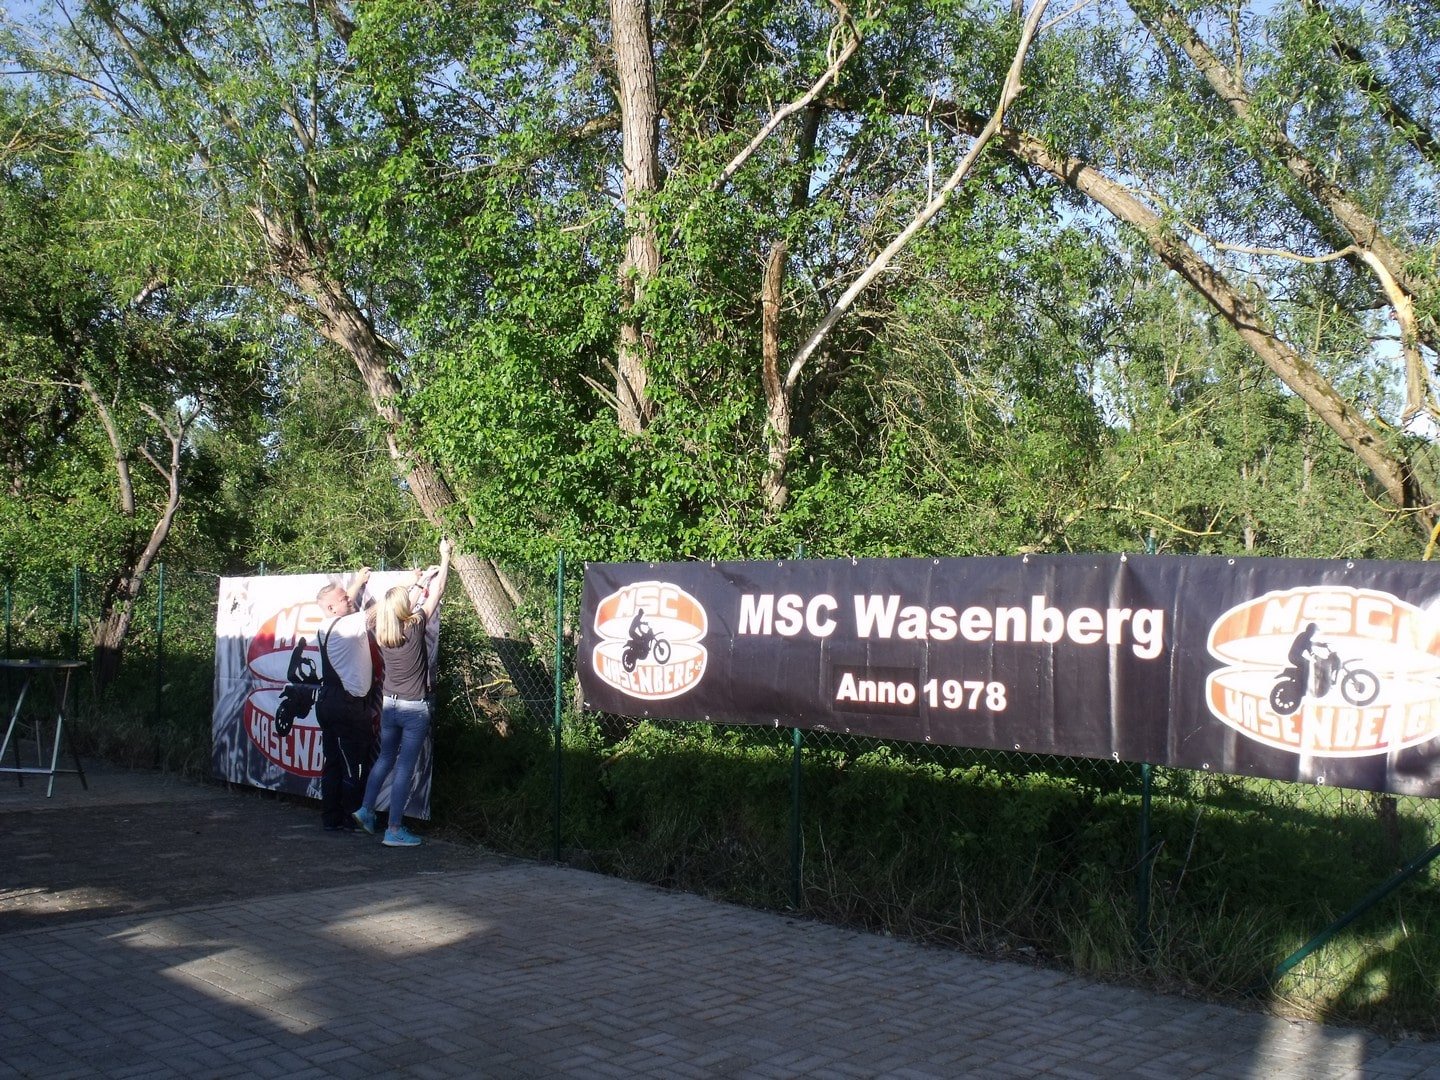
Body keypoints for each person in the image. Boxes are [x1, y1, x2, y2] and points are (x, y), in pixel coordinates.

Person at [353, 538, 452, 847]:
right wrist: (445, 558)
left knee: (384, 759)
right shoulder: (415, 625)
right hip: (413, 709)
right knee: (404, 768)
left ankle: (366, 810)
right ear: (404, 607)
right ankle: (394, 830)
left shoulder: (381, 629)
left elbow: (391, 606)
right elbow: (439, 592)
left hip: (390, 705)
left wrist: (415, 582)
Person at [314, 567, 378, 832]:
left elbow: (342, 604)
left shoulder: (326, 625)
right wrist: (411, 585)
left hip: (329, 701)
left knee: (333, 762)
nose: (349, 600)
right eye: (344, 599)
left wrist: (358, 582)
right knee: (355, 765)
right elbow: (378, 612)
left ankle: (331, 818)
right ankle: (353, 818)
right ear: (331, 607)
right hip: (347, 706)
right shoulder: (348, 625)